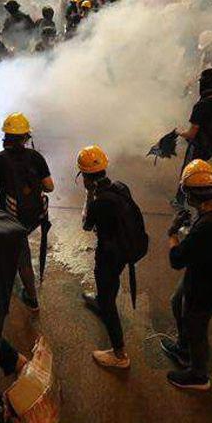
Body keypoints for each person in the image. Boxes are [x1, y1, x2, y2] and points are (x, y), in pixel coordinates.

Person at [161, 159, 212, 390]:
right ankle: (183, 348)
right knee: (177, 301)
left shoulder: (206, 226)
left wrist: (172, 233)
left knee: (196, 324)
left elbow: (176, 259)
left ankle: (199, 375)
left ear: (188, 194)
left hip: (210, 286)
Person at [78, 145, 147, 369]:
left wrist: (89, 194)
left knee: (108, 301)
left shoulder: (98, 202)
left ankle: (119, 355)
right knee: (109, 283)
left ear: (85, 177)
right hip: (124, 250)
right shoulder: (120, 187)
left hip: (109, 255)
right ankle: (102, 299)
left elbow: (86, 225)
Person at [0, 113, 53, 312]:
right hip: (34, 217)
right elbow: (49, 187)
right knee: (19, 244)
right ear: (26, 137)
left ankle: (32, 299)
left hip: (10, 218)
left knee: (22, 258)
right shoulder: (36, 157)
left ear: (6, 137)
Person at [175, 68, 212, 206]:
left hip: (201, 145)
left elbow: (191, 134)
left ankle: (180, 200)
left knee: (188, 170)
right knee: (200, 166)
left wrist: (179, 132)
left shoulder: (201, 106)